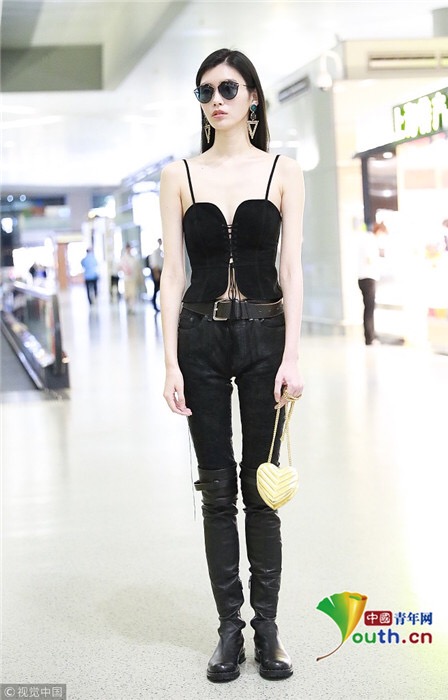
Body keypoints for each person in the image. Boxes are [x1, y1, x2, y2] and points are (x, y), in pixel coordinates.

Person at [160, 48, 304, 683]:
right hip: (200, 340)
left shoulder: (282, 171)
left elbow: (291, 269)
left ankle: (267, 627)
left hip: (266, 337)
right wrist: (169, 362)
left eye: (227, 88)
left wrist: (293, 354)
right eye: (205, 92)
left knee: (261, 488)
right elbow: (172, 275)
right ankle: (228, 629)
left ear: (252, 98)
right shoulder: (179, 176)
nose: (215, 100)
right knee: (216, 489)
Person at [357, 223, 384, 345]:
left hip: (364, 277)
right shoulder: (370, 241)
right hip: (368, 277)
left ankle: (370, 335)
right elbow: (369, 259)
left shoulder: (366, 239)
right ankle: (370, 337)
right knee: (369, 308)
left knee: (369, 308)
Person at [119, 243, 140, 313]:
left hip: (132, 278)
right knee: (127, 295)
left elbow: (136, 268)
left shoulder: (133, 258)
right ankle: (128, 307)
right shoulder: (123, 258)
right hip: (126, 279)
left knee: (133, 294)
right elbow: (120, 267)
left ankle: (132, 308)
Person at [146, 239, 164, 311]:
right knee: (156, 289)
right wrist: (156, 274)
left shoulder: (161, 252)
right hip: (156, 272)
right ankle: (154, 304)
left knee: (160, 289)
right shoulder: (155, 252)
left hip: (160, 271)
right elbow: (154, 265)